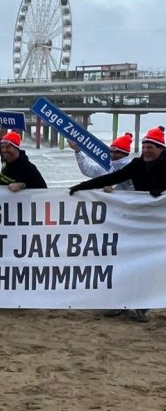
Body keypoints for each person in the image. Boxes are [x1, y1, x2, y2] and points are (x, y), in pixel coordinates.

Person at [69, 125, 166, 324]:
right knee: (125, 261)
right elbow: (113, 177)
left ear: (161, 149)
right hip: (135, 221)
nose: (147, 151)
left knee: (148, 266)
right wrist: (82, 187)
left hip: (158, 224)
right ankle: (120, 302)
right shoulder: (138, 164)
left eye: (151, 147)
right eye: (145, 146)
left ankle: (141, 307)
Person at [69, 132, 134, 190]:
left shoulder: (133, 170)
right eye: (111, 152)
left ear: (125, 154)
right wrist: (78, 151)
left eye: (116, 153)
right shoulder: (109, 167)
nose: (112, 155)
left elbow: (135, 193)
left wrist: (112, 189)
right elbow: (88, 170)